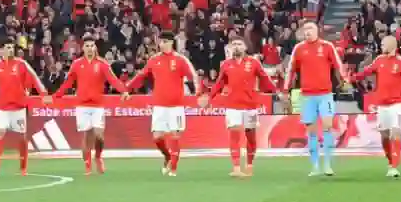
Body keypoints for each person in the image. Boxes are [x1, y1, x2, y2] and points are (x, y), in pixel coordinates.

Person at [350, 35, 401, 178]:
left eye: (383, 43)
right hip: (382, 105)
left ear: (391, 45)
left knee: (396, 132)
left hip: (397, 104)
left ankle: (394, 166)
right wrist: (351, 78)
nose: (381, 46)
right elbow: (365, 72)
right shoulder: (379, 60)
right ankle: (390, 161)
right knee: (385, 136)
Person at [200, 38, 277, 177]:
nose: (236, 47)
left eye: (239, 44)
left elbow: (265, 78)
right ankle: (236, 167)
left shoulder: (254, 63)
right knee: (234, 133)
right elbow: (219, 84)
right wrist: (209, 97)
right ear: (230, 47)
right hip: (233, 105)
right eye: (234, 44)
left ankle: (249, 164)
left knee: (251, 136)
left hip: (250, 105)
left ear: (245, 47)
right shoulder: (226, 65)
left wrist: (277, 92)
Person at [127, 32, 200, 178]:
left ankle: (173, 168)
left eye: (164, 41)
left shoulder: (180, 60)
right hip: (159, 105)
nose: (161, 44)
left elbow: (194, 77)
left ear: (171, 42)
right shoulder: (154, 60)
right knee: (157, 137)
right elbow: (141, 75)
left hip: (176, 106)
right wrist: (127, 88)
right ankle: (167, 156)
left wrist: (200, 92)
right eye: (160, 42)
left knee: (175, 135)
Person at [53, 36, 129, 175]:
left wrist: (123, 91)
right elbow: (68, 83)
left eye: (92, 46)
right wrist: (56, 96)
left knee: (99, 136)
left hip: (97, 105)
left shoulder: (102, 64)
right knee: (87, 136)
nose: (89, 48)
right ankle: (87, 165)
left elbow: (113, 79)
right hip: (82, 105)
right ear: (83, 48)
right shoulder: (77, 64)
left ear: (95, 48)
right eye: (87, 46)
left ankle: (98, 157)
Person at [0, 43, 48, 177]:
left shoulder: (21, 64)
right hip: (2, 108)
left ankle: (23, 167)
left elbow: (35, 78)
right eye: (7, 47)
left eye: (11, 47)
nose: (10, 50)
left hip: (18, 109)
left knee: (22, 138)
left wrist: (43, 94)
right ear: (1, 51)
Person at [282, 21, 345, 177]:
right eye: (305, 29)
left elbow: (338, 65)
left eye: (310, 28)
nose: (307, 31)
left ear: (317, 31)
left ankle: (328, 165)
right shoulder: (299, 48)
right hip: (307, 96)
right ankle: (315, 166)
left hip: (325, 95)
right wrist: (285, 90)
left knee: (327, 127)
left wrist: (344, 80)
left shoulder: (327, 46)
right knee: (311, 132)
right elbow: (291, 70)